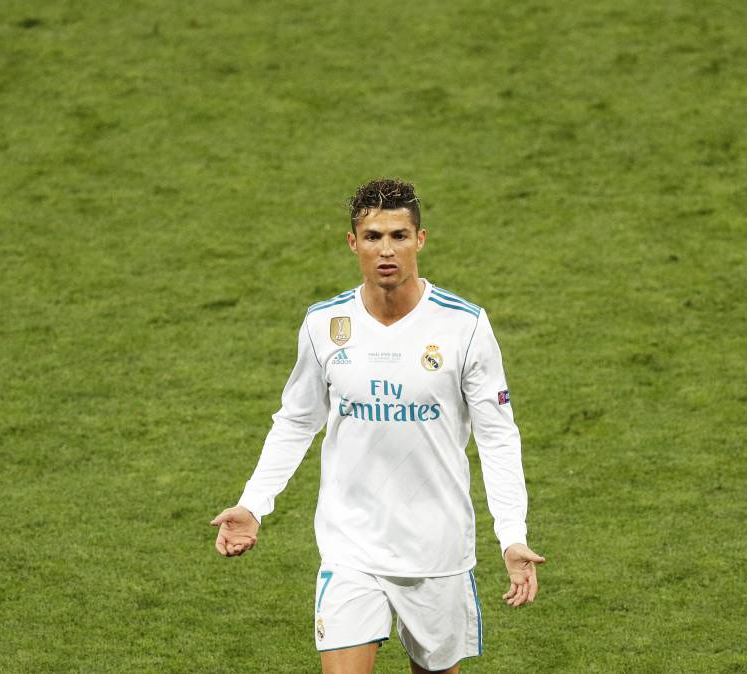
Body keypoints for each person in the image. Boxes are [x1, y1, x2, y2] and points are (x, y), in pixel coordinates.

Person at [211, 178, 544, 674]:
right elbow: (297, 420)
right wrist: (253, 503)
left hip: (437, 551)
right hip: (352, 547)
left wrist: (511, 536)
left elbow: (498, 437)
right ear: (353, 243)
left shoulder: (464, 326)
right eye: (372, 237)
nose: (386, 250)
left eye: (398, 236)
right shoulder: (325, 325)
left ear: (420, 240)